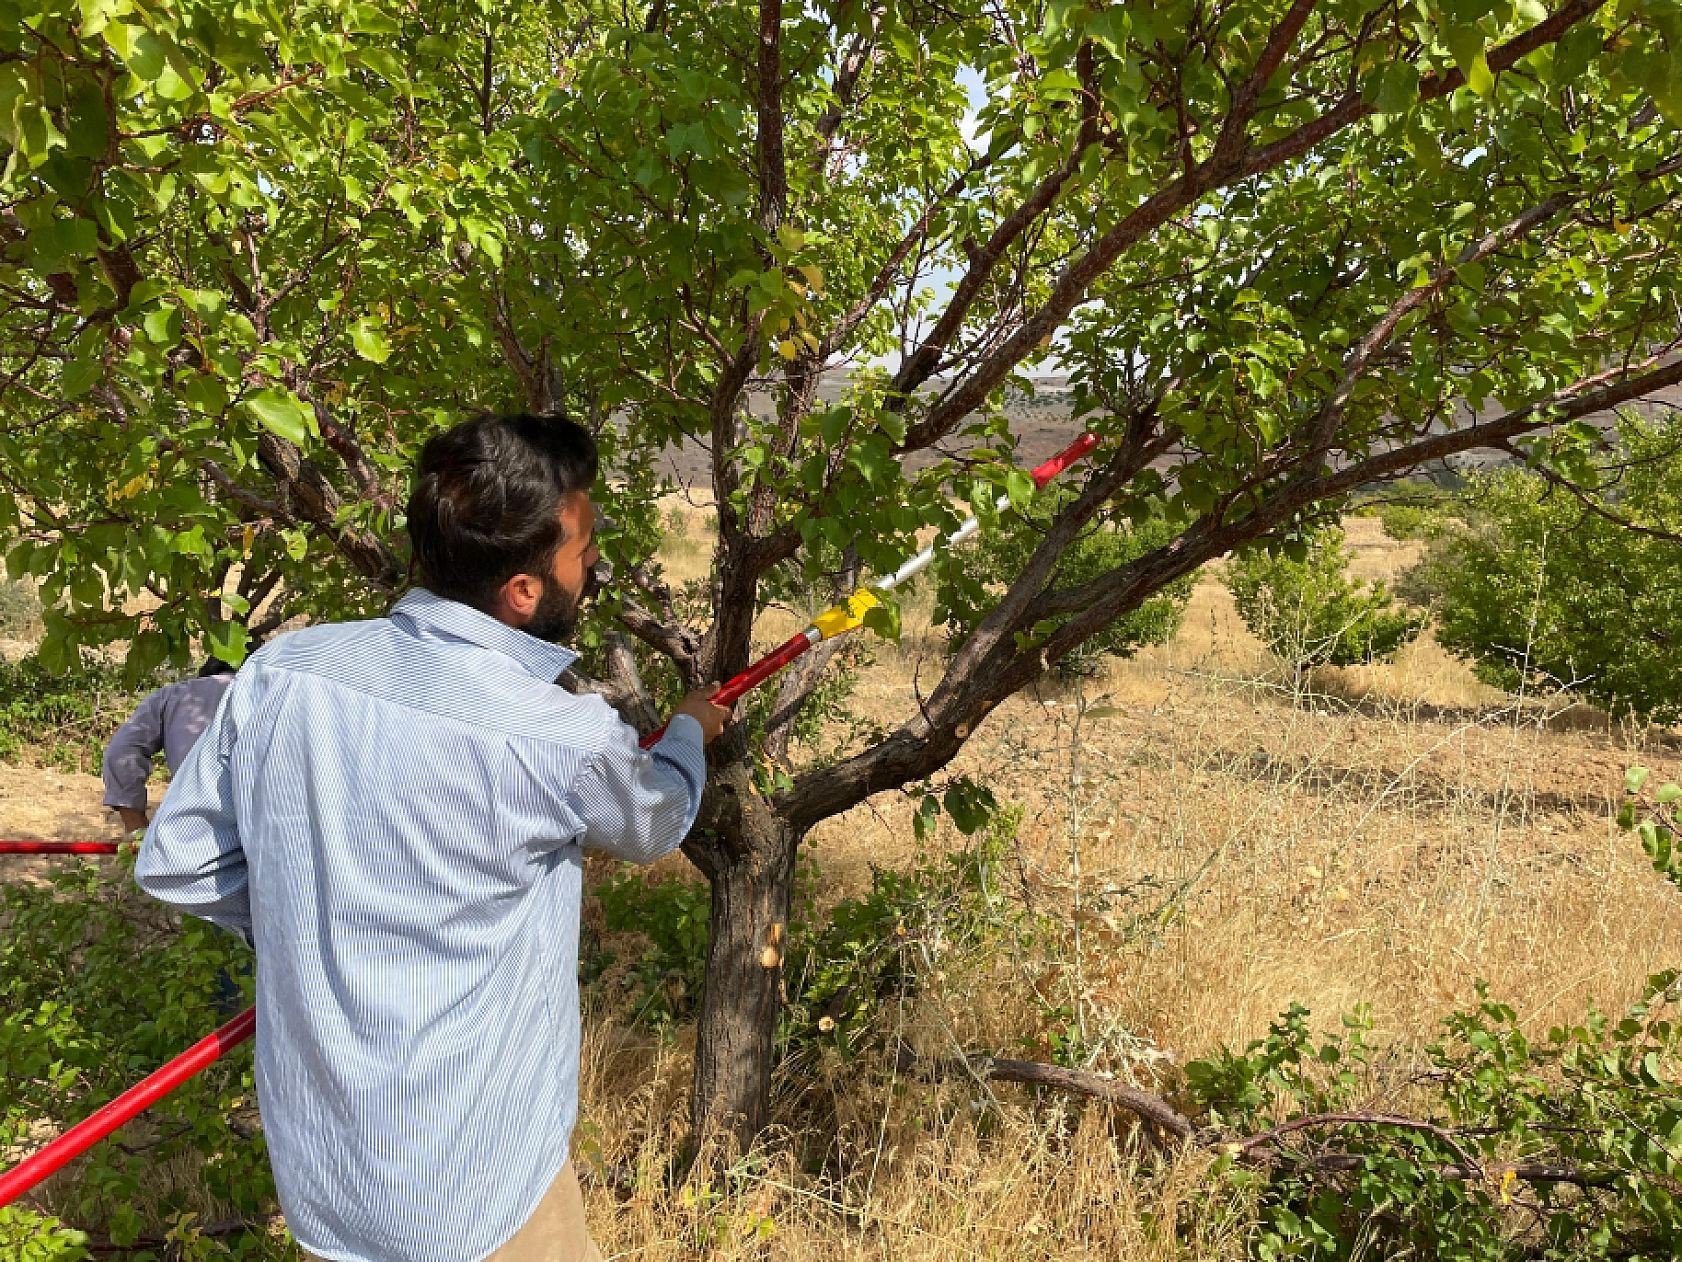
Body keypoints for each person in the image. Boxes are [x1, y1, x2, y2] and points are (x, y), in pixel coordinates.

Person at [136, 413, 732, 1262]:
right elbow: (655, 818)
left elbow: (182, 863)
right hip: (486, 1196)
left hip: (328, 1183)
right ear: (524, 589)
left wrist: (320, 918)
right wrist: (685, 735)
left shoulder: (282, 673)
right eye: (583, 549)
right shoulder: (559, 736)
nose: (594, 564)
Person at [101, 657, 237, 836]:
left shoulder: (174, 696)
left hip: (191, 832)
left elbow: (120, 753)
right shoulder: (272, 694)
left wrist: (137, 831)